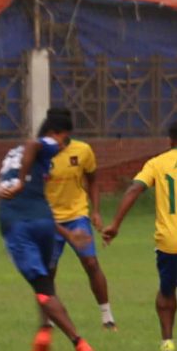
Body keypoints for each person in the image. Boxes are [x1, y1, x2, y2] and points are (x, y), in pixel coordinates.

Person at [0, 110, 93, 351]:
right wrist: (24, 182)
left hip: (18, 223)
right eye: (65, 139)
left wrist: (68, 233)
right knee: (45, 284)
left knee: (43, 288)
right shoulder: (46, 145)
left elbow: (30, 146)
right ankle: (43, 335)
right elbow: (34, 142)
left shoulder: (13, 155)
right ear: (57, 133)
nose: (63, 146)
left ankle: (77, 342)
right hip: (39, 223)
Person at [104, 118, 177, 351]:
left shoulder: (158, 162)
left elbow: (134, 188)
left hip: (169, 242)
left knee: (167, 292)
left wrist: (115, 224)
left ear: (170, 141)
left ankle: (167, 342)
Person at [45, 120, 118, 332]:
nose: (56, 139)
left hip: (77, 216)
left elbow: (93, 179)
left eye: (59, 133)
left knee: (91, 262)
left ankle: (107, 315)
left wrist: (95, 211)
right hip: (49, 219)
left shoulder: (83, 150)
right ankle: (48, 319)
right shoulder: (41, 153)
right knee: (48, 271)